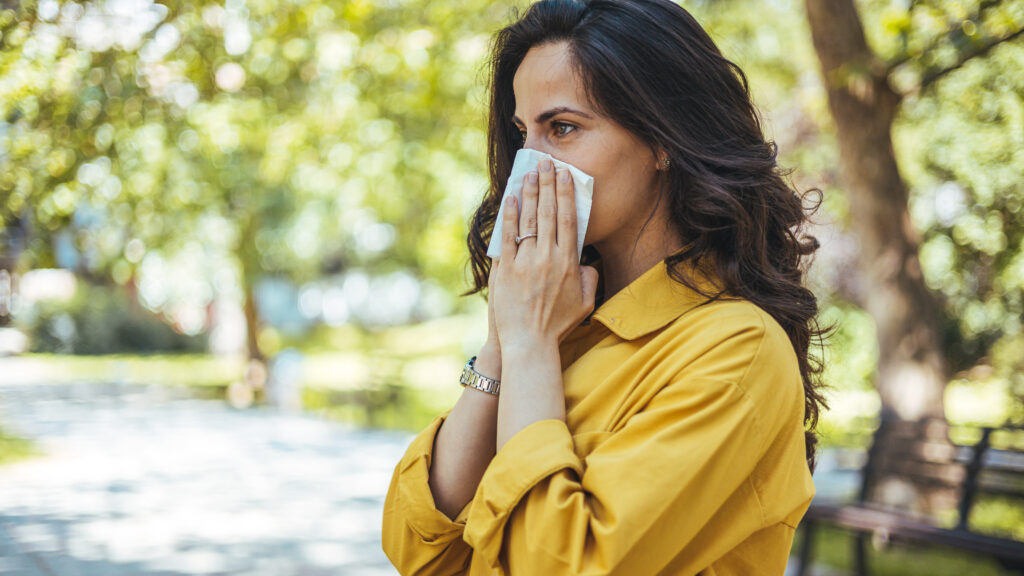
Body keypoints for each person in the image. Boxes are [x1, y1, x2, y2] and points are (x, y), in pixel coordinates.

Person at [382, 0, 831, 574]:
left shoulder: (736, 351)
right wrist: (503, 342)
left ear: (664, 137)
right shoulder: (562, 320)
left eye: (563, 128)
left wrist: (529, 347)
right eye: (523, 134)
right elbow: (419, 548)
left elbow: (554, 565)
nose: (529, 167)